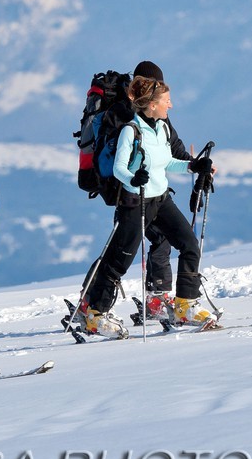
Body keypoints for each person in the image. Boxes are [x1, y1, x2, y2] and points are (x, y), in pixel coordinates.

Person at [75, 76, 215, 336]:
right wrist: (132, 178)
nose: (170, 106)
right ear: (151, 104)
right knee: (118, 262)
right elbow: (119, 168)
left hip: (161, 199)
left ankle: (185, 304)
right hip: (135, 201)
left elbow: (166, 161)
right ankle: (94, 314)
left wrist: (192, 166)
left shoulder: (161, 128)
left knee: (188, 244)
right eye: (166, 101)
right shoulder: (131, 130)